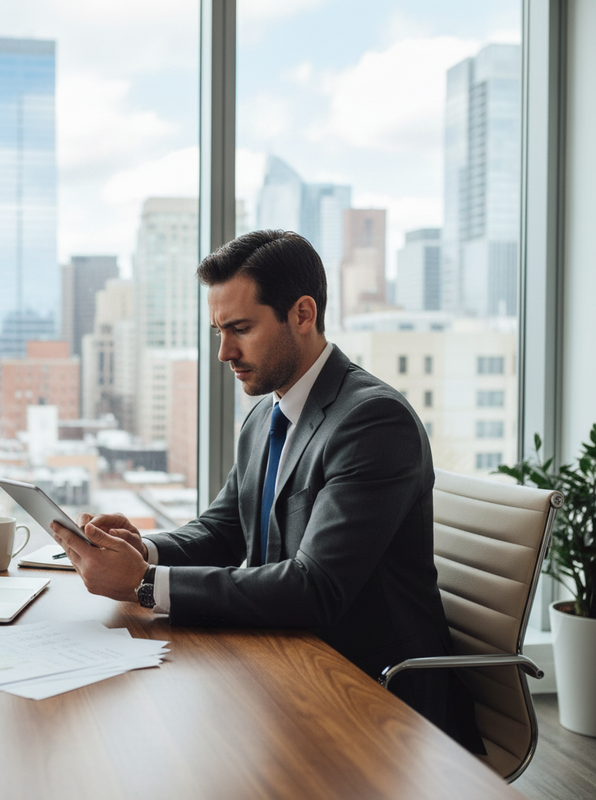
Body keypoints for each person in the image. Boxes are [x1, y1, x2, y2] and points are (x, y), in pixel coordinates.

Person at [51, 229, 482, 752]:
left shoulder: (372, 421)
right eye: (218, 331)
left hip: (373, 693)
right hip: (281, 657)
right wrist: (143, 549)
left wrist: (145, 584)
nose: (224, 352)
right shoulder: (265, 415)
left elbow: (313, 588)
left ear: (303, 315)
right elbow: (226, 528)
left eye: (240, 329)